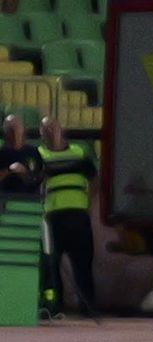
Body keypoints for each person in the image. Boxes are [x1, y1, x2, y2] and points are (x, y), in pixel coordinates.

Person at [38, 117, 98, 317]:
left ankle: (88, 307)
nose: (50, 131)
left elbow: (94, 179)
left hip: (78, 216)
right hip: (53, 217)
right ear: (41, 133)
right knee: (51, 265)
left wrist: (87, 202)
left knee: (83, 265)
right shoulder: (40, 155)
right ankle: (54, 306)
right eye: (46, 128)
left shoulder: (79, 153)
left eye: (53, 127)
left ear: (61, 129)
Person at [0, 114, 42, 197]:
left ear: (24, 129)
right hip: (5, 200)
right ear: (5, 132)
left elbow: (39, 178)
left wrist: (25, 173)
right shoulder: (2, 153)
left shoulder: (33, 152)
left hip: (30, 200)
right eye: (11, 129)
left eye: (17, 128)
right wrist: (9, 170)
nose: (15, 132)